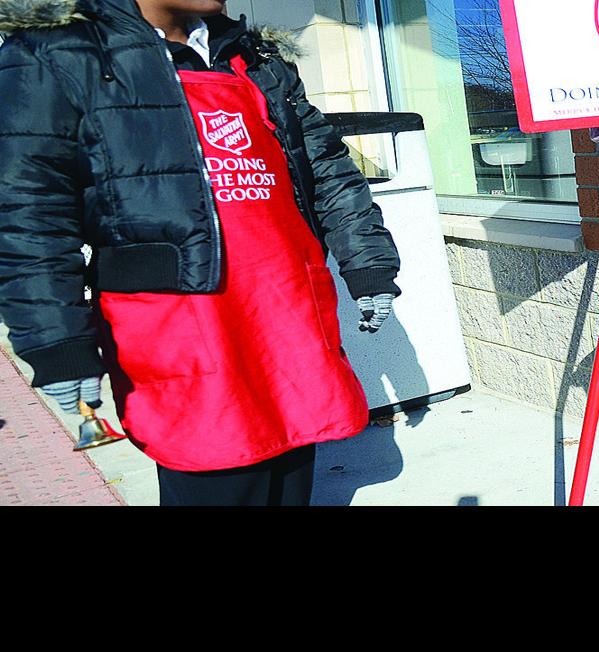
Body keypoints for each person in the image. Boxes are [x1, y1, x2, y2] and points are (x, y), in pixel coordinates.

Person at [0, 0, 401, 506]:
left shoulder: (254, 60)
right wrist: (58, 345)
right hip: (182, 327)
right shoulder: (58, 55)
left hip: (286, 316)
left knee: (292, 471)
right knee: (218, 478)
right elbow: (26, 213)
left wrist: (369, 267)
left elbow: (328, 172)